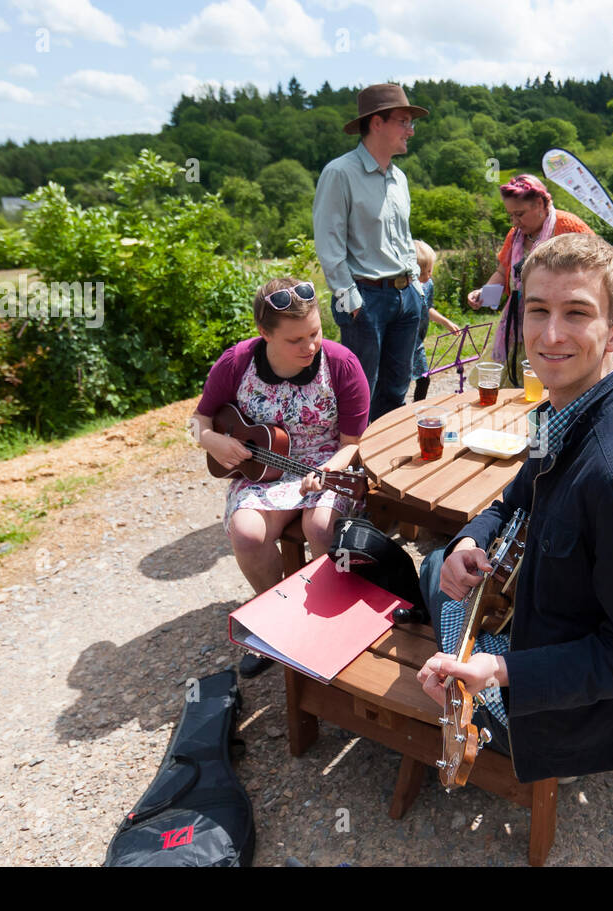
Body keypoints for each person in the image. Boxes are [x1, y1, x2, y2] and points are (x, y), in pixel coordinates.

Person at [415, 233, 613, 783]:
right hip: (536, 625)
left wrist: (499, 669)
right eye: (538, 311)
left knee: (428, 573)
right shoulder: (560, 415)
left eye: (576, 313)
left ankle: (509, 738)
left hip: (567, 710)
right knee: (441, 561)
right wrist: (471, 541)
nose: (550, 335)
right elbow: (512, 499)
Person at [193, 277, 371, 678]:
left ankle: (335, 617)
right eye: (295, 340)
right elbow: (199, 418)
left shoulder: (341, 364)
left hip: (326, 467)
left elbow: (353, 442)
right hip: (263, 472)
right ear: (264, 334)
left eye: (315, 333)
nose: (310, 347)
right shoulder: (236, 362)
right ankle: (279, 617)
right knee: (246, 533)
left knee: (322, 528)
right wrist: (211, 441)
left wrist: (330, 470)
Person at [313, 83, 429, 422]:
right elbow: (328, 242)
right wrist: (349, 299)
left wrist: (416, 286)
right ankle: (351, 465)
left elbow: (404, 237)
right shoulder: (339, 173)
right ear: (376, 123)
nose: (411, 130)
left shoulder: (400, 178)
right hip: (363, 299)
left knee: (396, 386)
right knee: (358, 388)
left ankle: (381, 460)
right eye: (404, 121)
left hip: (405, 296)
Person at [467, 174, 592, 385]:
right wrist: (484, 293)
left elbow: (595, 271)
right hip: (520, 320)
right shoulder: (515, 235)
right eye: (511, 216)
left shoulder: (569, 227)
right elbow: (502, 272)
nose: (515, 221)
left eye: (520, 214)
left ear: (540, 204)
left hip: (559, 321)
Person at [410, 239, 460, 402]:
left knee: (424, 379)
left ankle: (415, 409)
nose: (426, 276)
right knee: (401, 382)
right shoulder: (406, 288)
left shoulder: (428, 284)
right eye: (421, 273)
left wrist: (446, 322)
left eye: (429, 271)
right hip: (404, 341)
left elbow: (428, 308)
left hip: (418, 342)